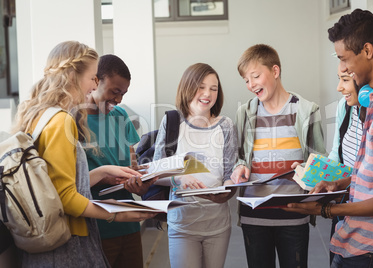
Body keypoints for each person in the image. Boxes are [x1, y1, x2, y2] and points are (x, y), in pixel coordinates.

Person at [12, 41, 156, 267]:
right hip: (69, 234)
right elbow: (66, 196)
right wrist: (116, 213)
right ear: (73, 77)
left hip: (47, 235)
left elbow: (57, 185)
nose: (94, 84)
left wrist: (104, 171)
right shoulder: (61, 120)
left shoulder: (39, 116)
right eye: (93, 78)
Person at [284, 9, 373, 268]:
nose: (341, 68)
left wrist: (326, 210)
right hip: (360, 245)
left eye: (343, 59)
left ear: (368, 51)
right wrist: (342, 183)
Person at [230, 44, 327, 268]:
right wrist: (240, 167)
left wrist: (308, 171)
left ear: (275, 71)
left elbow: (319, 161)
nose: (250, 84)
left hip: (294, 214)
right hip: (254, 214)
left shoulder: (306, 110)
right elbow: (239, 158)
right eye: (246, 80)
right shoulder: (244, 113)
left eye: (255, 76)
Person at [153, 63, 237, 268]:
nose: (207, 93)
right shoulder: (172, 122)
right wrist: (178, 178)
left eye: (213, 88)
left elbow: (229, 173)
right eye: (201, 86)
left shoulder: (226, 125)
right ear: (187, 87)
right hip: (182, 225)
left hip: (218, 225)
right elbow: (155, 172)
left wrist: (228, 190)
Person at [85, 54, 156, 268]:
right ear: (96, 81)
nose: (119, 100)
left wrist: (142, 183)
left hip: (129, 224)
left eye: (123, 93)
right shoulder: (74, 121)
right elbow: (72, 182)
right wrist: (104, 177)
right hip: (98, 226)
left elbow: (132, 167)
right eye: (115, 92)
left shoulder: (120, 116)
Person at [327, 62, 366, 265]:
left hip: (366, 218)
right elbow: (337, 151)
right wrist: (318, 174)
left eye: (345, 80)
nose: (339, 87)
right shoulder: (345, 106)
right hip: (344, 208)